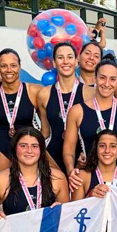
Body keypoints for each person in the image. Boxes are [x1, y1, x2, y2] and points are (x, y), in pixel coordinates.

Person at [63, 58, 117, 192]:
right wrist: (70, 170)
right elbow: (69, 148)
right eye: (102, 78)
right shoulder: (77, 111)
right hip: (88, 177)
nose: (107, 84)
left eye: (112, 79)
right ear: (95, 78)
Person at [0, 48, 41, 176]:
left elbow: (47, 125)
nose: (9, 70)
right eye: (4, 66)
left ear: (20, 66)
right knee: (0, 186)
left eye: (13, 65)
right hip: (1, 148)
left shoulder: (34, 91)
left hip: (29, 148)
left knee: (31, 186)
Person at [37, 42, 84, 173]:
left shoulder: (89, 93)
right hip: (53, 158)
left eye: (69, 57)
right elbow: (45, 132)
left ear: (76, 61)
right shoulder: (44, 94)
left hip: (82, 158)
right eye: (60, 57)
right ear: (54, 63)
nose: (65, 61)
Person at [71, 129, 117, 199]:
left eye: (113, 146)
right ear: (95, 148)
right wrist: (89, 196)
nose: (107, 150)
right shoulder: (82, 177)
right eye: (102, 146)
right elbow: (75, 206)